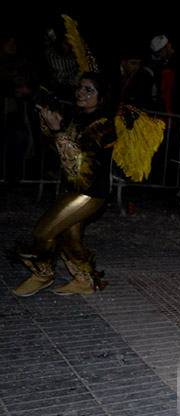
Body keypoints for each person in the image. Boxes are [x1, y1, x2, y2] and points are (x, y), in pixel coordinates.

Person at [14, 72, 116, 296]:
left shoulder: (104, 126)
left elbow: (76, 164)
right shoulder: (78, 116)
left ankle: (43, 274)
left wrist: (58, 130)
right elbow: (55, 150)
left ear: (101, 98)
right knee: (71, 238)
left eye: (89, 90)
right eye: (80, 87)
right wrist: (49, 121)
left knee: (43, 232)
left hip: (89, 193)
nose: (81, 92)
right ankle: (84, 281)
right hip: (69, 188)